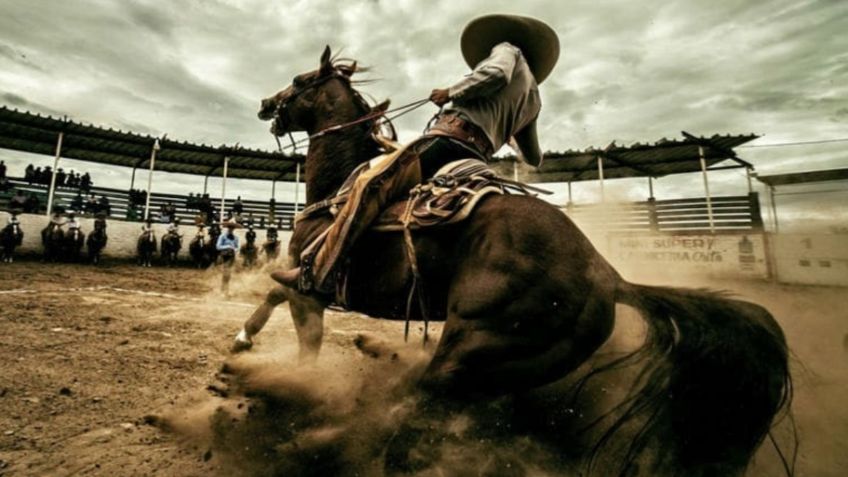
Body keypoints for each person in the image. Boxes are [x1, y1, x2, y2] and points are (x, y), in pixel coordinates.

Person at [272, 14, 558, 295]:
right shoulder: (534, 100)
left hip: (448, 143)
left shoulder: (508, 49)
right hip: (476, 159)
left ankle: (318, 272)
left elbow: (495, 74)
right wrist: (503, 132)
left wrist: (451, 92)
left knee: (371, 184)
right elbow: (534, 158)